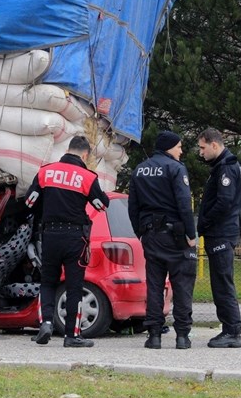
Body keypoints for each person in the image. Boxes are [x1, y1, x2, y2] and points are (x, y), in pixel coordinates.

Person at [24, 135, 109, 348]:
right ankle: (72, 334)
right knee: (74, 286)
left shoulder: (46, 171)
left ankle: (46, 323)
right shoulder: (87, 177)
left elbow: (29, 202)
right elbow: (101, 205)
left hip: (50, 235)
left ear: (67, 150)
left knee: (47, 282)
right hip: (74, 238)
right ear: (85, 154)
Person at [128, 131, 197, 349]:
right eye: (179, 147)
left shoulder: (139, 170)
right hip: (175, 236)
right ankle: (182, 336)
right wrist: (191, 235)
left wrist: (139, 232)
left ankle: (154, 335)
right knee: (182, 283)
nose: (181, 151)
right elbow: (184, 204)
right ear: (169, 147)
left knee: (155, 285)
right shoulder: (176, 169)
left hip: (151, 236)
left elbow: (133, 207)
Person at [197, 128, 241, 348]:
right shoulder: (221, 166)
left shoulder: (225, 168)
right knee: (220, 282)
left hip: (221, 233)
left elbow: (224, 203)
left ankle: (232, 331)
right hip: (220, 232)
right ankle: (230, 328)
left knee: (222, 283)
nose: (201, 153)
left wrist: (205, 222)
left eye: (203, 147)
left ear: (214, 145)